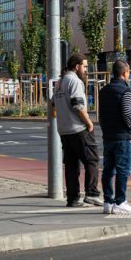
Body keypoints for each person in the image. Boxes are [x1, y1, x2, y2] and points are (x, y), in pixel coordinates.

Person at [52, 53, 101, 208]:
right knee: (92, 160)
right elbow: (78, 105)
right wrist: (89, 123)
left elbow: (53, 104)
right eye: (85, 66)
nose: (86, 70)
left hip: (64, 130)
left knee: (71, 164)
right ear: (77, 66)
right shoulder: (74, 81)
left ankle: (73, 198)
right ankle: (91, 194)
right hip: (78, 128)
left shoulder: (60, 82)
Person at [98, 59, 131, 215]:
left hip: (108, 136)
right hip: (122, 137)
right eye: (128, 73)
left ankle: (108, 201)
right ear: (125, 73)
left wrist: (105, 128)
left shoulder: (103, 91)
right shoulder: (125, 91)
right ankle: (121, 202)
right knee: (123, 170)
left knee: (108, 170)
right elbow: (127, 112)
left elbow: (101, 115)